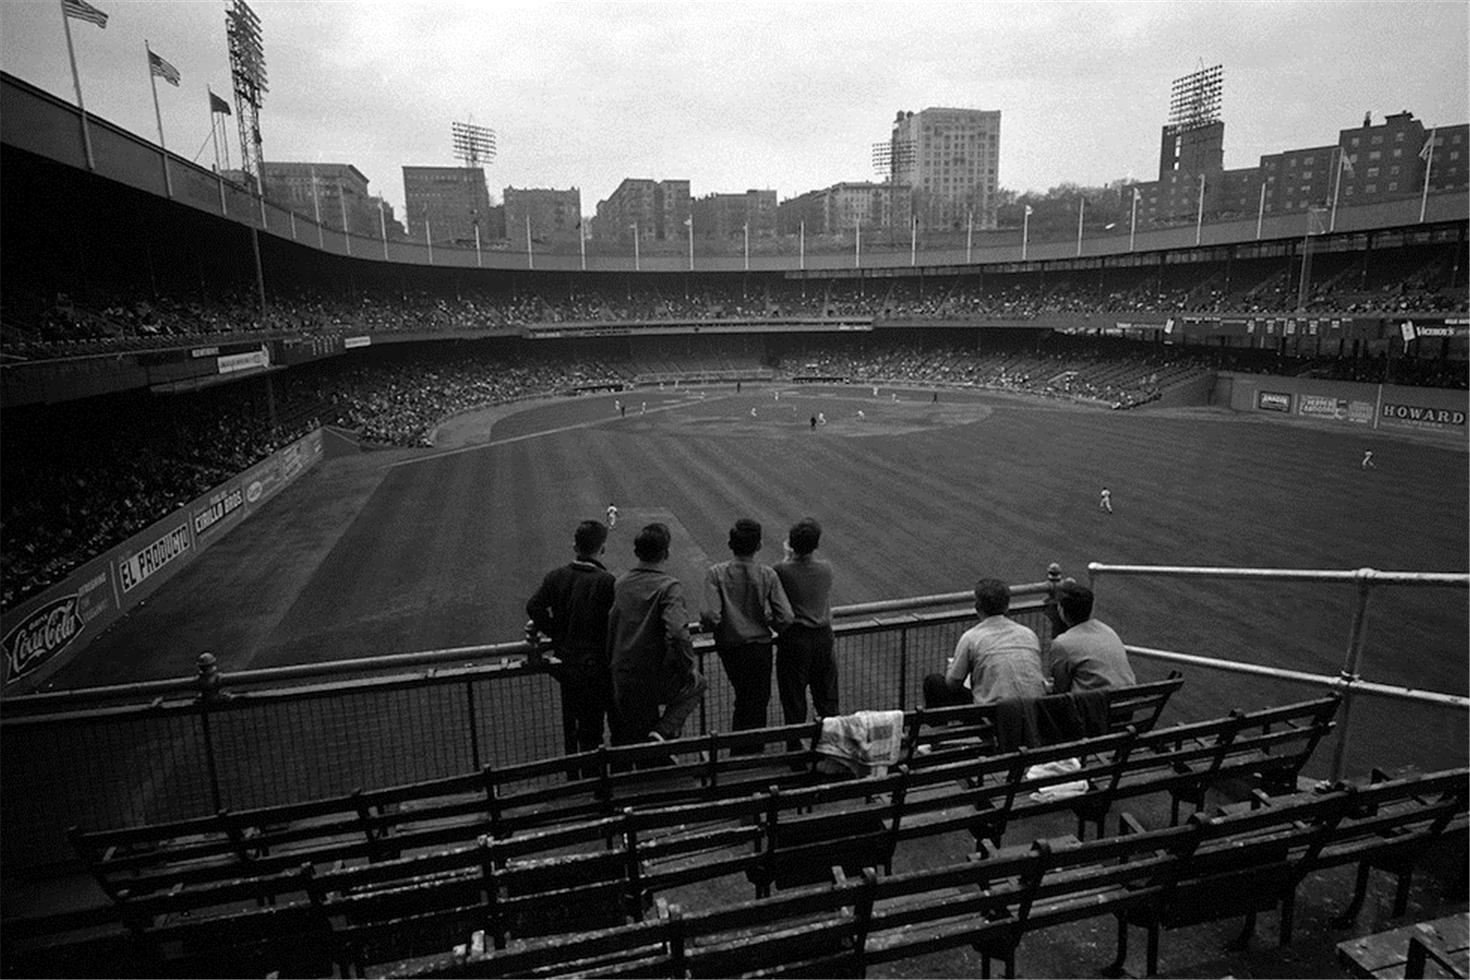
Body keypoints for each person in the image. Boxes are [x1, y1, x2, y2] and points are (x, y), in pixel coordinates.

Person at [607, 523, 706, 744]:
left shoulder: (620, 584)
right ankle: (664, 732)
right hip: (652, 677)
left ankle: (656, 742)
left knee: (632, 739)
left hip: (621, 674)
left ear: (636, 551)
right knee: (696, 683)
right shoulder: (668, 586)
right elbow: (678, 633)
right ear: (666, 552)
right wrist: (688, 666)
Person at [525, 520, 617, 758]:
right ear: (602, 548)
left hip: (568, 665)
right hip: (601, 666)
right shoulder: (607, 581)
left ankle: (590, 785)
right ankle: (613, 786)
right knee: (617, 728)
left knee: (587, 733)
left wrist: (556, 632)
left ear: (574, 545)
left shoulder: (556, 577)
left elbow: (534, 606)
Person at [700, 519, 794, 745]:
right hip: (759, 647)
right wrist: (770, 622)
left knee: (746, 699)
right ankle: (747, 754)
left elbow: (710, 615)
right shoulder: (767, 574)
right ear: (759, 545)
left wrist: (716, 626)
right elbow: (786, 617)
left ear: (731, 544)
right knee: (755, 701)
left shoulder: (716, 573)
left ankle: (743, 753)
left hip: (730, 647)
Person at [922, 578, 1047, 707]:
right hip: (1035, 709)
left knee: (934, 682)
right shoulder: (1028, 634)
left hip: (995, 714)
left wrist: (951, 667)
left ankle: (940, 726)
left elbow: (952, 683)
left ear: (977, 606)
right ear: (1007, 606)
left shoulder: (971, 637)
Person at [773, 518, 839, 734]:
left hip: (795, 639)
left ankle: (796, 754)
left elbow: (784, 576)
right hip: (823, 637)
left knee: (794, 700)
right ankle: (831, 748)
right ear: (816, 544)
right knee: (827, 698)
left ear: (791, 544)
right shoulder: (826, 569)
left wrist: (787, 555)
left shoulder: (781, 570)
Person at [1047, 581, 1135, 693]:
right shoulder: (1107, 630)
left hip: (1095, 707)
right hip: (1126, 704)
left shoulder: (1062, 643)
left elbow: (1060, 690)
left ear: (1062, 610)